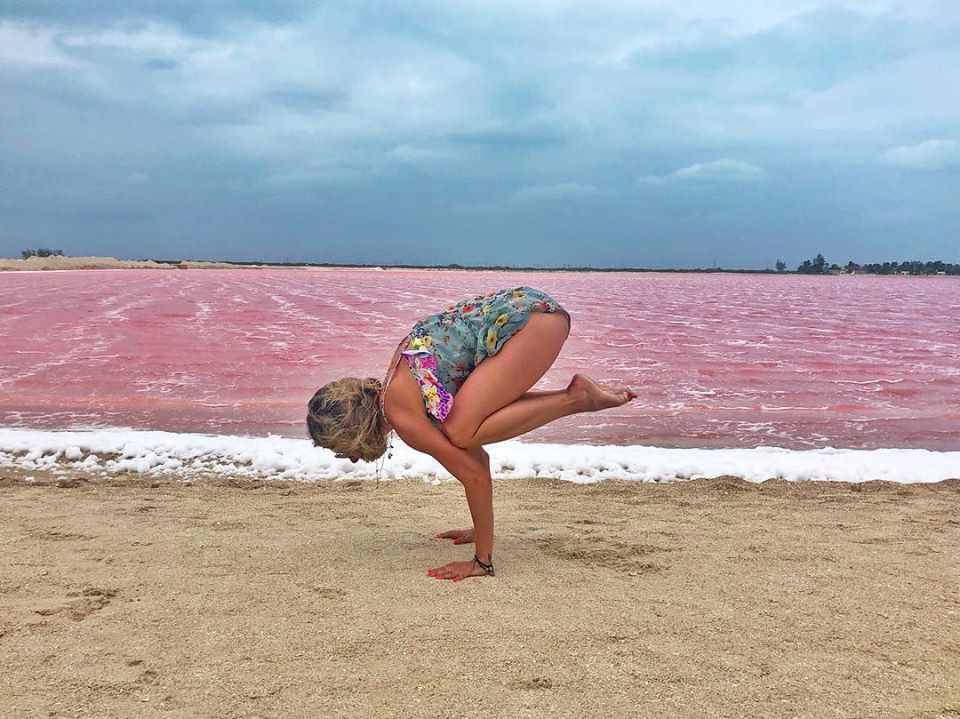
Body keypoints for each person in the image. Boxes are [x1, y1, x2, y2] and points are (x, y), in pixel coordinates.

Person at [307, 286, 636, 581]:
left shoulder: (403, 415)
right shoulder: (403, 388)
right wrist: (481, 530)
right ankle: (578, 396)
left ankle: (577, 398)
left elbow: (474, 476)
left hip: (530, 325)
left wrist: (482, 560)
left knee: (461, 432)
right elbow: (478, 461)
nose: (352, 458)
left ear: (352, 431)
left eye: (341, 448)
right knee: (462, 431)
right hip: (529, 312)